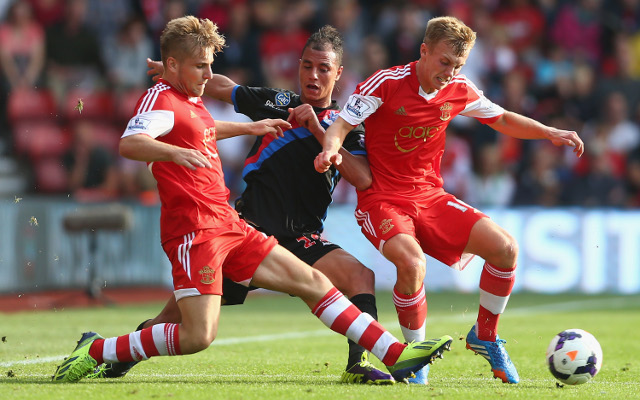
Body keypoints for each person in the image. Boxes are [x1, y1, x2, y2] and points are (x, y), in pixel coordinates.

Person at [52, 15, 453, 384]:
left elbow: (363, 177)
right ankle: (114, 352)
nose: (313, 75)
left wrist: (315, 133)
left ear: (338, 74)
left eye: (323, 68)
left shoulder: (349, 127)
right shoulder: (278, 102)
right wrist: (180, 72)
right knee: (186, 325)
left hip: (295, 235)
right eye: (306, 66)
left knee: (348, 278)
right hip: (246, 222)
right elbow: (219, 91)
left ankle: (378, 359)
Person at [314, 16, 585, 385]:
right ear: (424, 50)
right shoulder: (386, 83)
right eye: (444, 62)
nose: (450, 72)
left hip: (431, 196)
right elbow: (341, 125)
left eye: (458, 65)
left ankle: (485, 335)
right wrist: (331, 151)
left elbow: (501, 118)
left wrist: (548, 132)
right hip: (383, 198)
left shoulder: (459, 88)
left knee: (505, 248)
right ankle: (416, 361)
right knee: (411, 264)